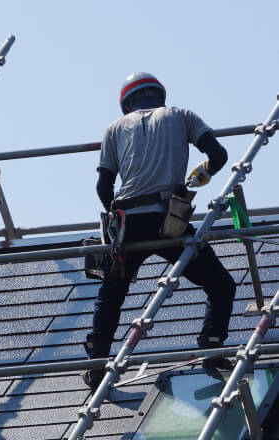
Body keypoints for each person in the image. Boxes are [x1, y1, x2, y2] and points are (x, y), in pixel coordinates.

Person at [83, 72, 236, 390]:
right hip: (168, 219)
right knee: (220, 284)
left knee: (111, 294)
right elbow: (218, 155)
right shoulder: (181, 116)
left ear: (126, 103)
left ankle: (97, 365)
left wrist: (114, 220)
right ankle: (211, 344)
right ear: (160, 96)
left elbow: (103, 186)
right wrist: (199, 177)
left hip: (128, 222)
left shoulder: (114, 128)